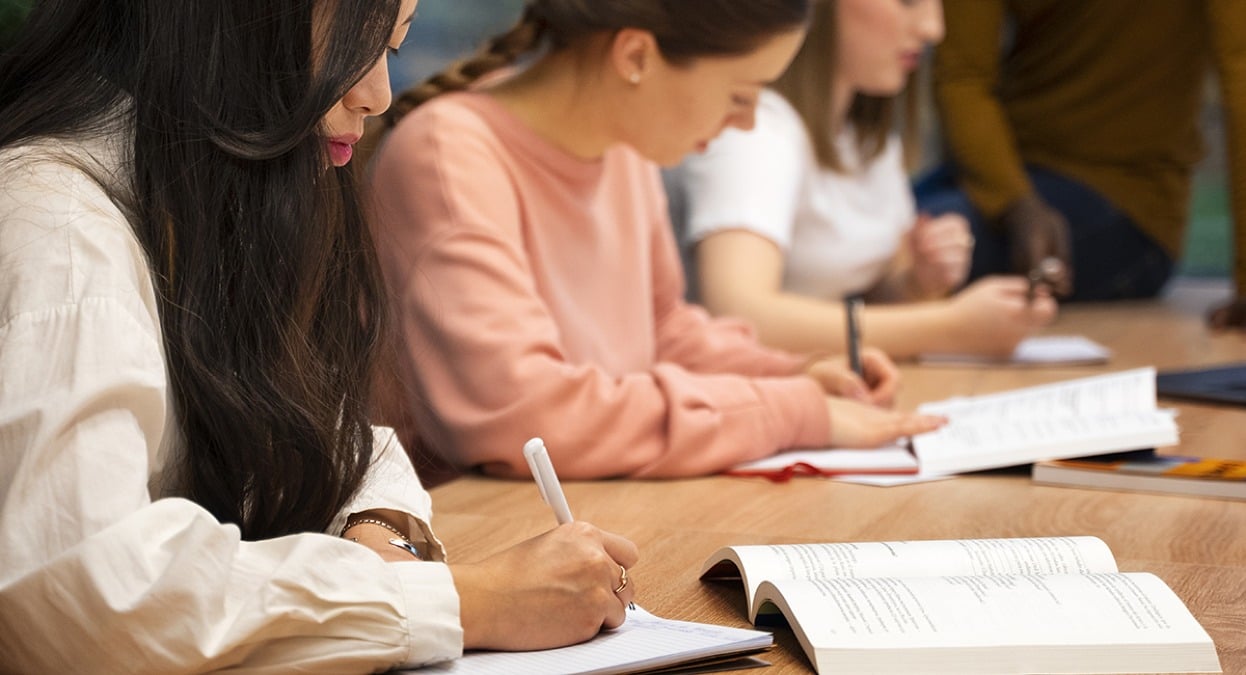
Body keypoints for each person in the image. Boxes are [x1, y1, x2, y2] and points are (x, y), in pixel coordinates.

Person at [0, 1, 638, 672]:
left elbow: (328, 435)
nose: (377, 95)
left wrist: (377, 533)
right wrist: (464, 599)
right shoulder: (55, 227)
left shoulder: (208, 198)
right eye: (356, 42)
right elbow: (85, 590)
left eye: (392, 47)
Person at [367, 0, 946, 485]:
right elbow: (524, 417)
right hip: (476, 528)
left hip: (592, 504)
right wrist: (790, 411)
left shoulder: (623, 142)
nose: (747, 124)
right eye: (742, 94)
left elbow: (662, 330)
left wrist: (793, 375)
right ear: (636, 57)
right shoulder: (448, 155)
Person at [671, 0, 1056, 361]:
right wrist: (949, 327)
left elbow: (871, 297)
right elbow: (739, 312)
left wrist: (916, 282)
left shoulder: (867, 141)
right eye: (907, 0)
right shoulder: (758, 131)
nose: (933, 28)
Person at [914, 0, 1246, 329]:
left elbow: (1240, 70)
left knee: (915, 256)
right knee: (893, 240)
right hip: (998, 170)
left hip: (1125, 199)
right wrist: (1015, 203)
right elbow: (962, 76)